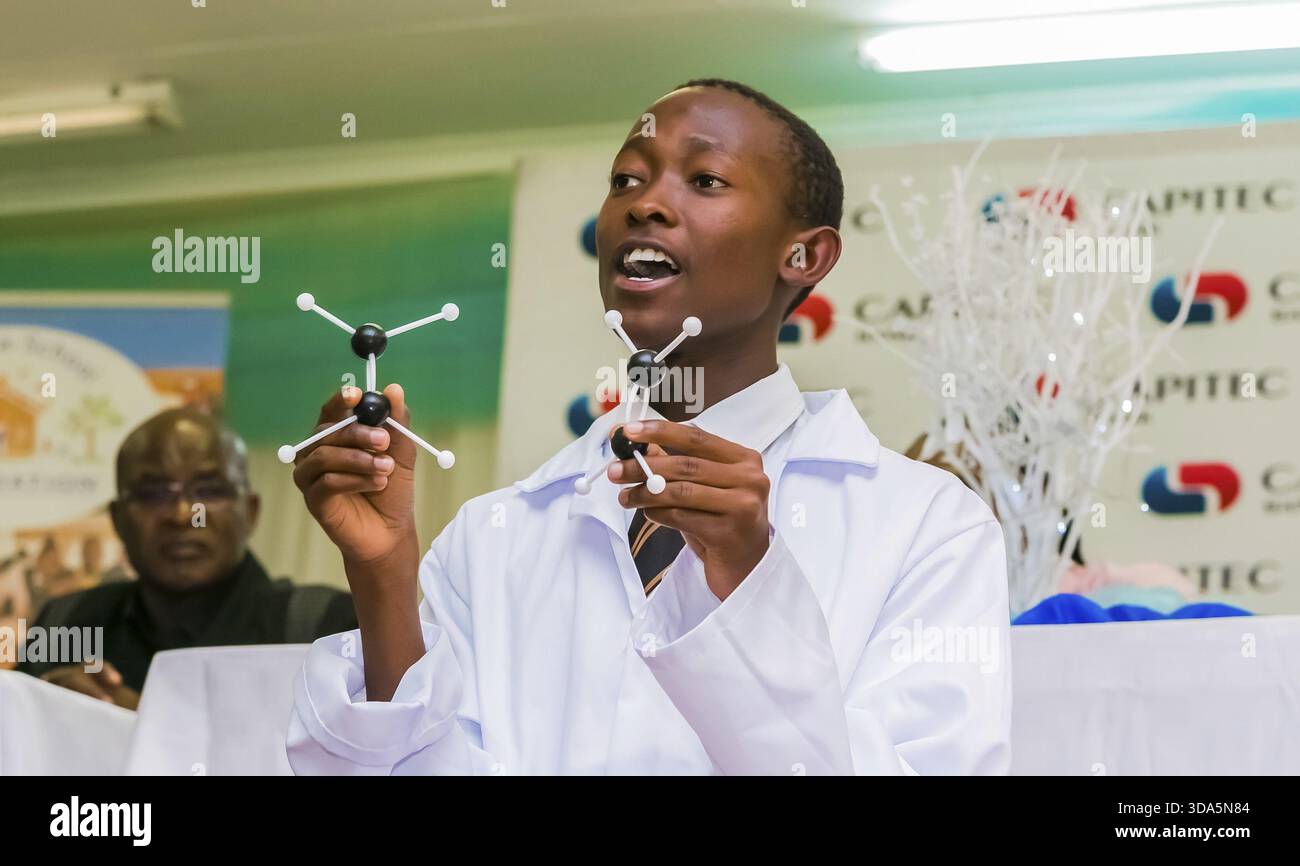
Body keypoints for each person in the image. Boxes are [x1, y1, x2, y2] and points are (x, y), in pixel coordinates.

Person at [287, 79, 1011, 775]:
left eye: (705, 181)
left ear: (803, 256)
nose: (646, 206)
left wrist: (748, 583)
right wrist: (383, 580)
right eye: (627, 180)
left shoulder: (928, 527)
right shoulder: (492, 536)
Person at [19, 408, 356, 708]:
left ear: (250, 511)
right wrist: (45, 710)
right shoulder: (63, 621)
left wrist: (144, 727)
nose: (182, 515)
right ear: (118, 518)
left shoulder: (324, 629)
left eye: (209, 490)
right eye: (154, 493)